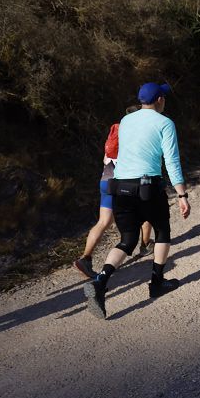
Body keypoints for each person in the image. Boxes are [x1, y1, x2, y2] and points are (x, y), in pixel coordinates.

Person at [83, 83, 190, 319]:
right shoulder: (165, 123)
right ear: (160, 99)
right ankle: (157, 283)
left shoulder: (126, 120)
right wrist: (182, 194)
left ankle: (100, 282)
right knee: (162, 231)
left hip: (120, 187)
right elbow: (171, 161)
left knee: (127, 240)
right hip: (147, 187)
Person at [73, 108, 153, 278]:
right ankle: (145, 245)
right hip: (124, 183)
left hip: (106, 180)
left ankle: (85, 258)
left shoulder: (114, 133)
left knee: (103, 221)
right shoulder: (136, 134)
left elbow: (105, 159)